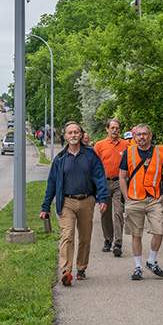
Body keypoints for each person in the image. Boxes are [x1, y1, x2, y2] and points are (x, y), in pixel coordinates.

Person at [41, 121, 110, 286]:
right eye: (69, 133)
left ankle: (81, 268)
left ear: (81, 135)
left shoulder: (90, 155)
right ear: (65, 136)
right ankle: (66, 271)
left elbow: (100, 177)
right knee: (67, 235)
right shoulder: (60, 159)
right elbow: (52, 183)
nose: (73, 135)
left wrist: (102, 199)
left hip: (87, 201)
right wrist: (45, 207)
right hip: (66, 202)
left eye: (76, 132)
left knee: (85, 237)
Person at [119, 123, 163, 280]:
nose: (142, 137)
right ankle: (138, 266)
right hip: (134, 198)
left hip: (153, 198)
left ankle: (151, 261)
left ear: (150, 136)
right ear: (135, 137)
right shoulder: (128, 152)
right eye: (138, 134)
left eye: (144, 134)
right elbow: (122, 177)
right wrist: (126, 198)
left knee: (159, 230)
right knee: (136, 234)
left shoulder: (159, 152)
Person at [93, 118, 130, 256]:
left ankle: (118, 243)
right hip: (103, 183)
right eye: (112, 128)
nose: (114, 130)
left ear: (120, 130)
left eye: (117, 128)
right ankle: (107, 239)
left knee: (118, 213)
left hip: (119, 183)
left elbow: (131, 163)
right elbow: (94, 165)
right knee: (105, 213)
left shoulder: (126, 145)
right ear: (107, 129)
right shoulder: (100, 145)